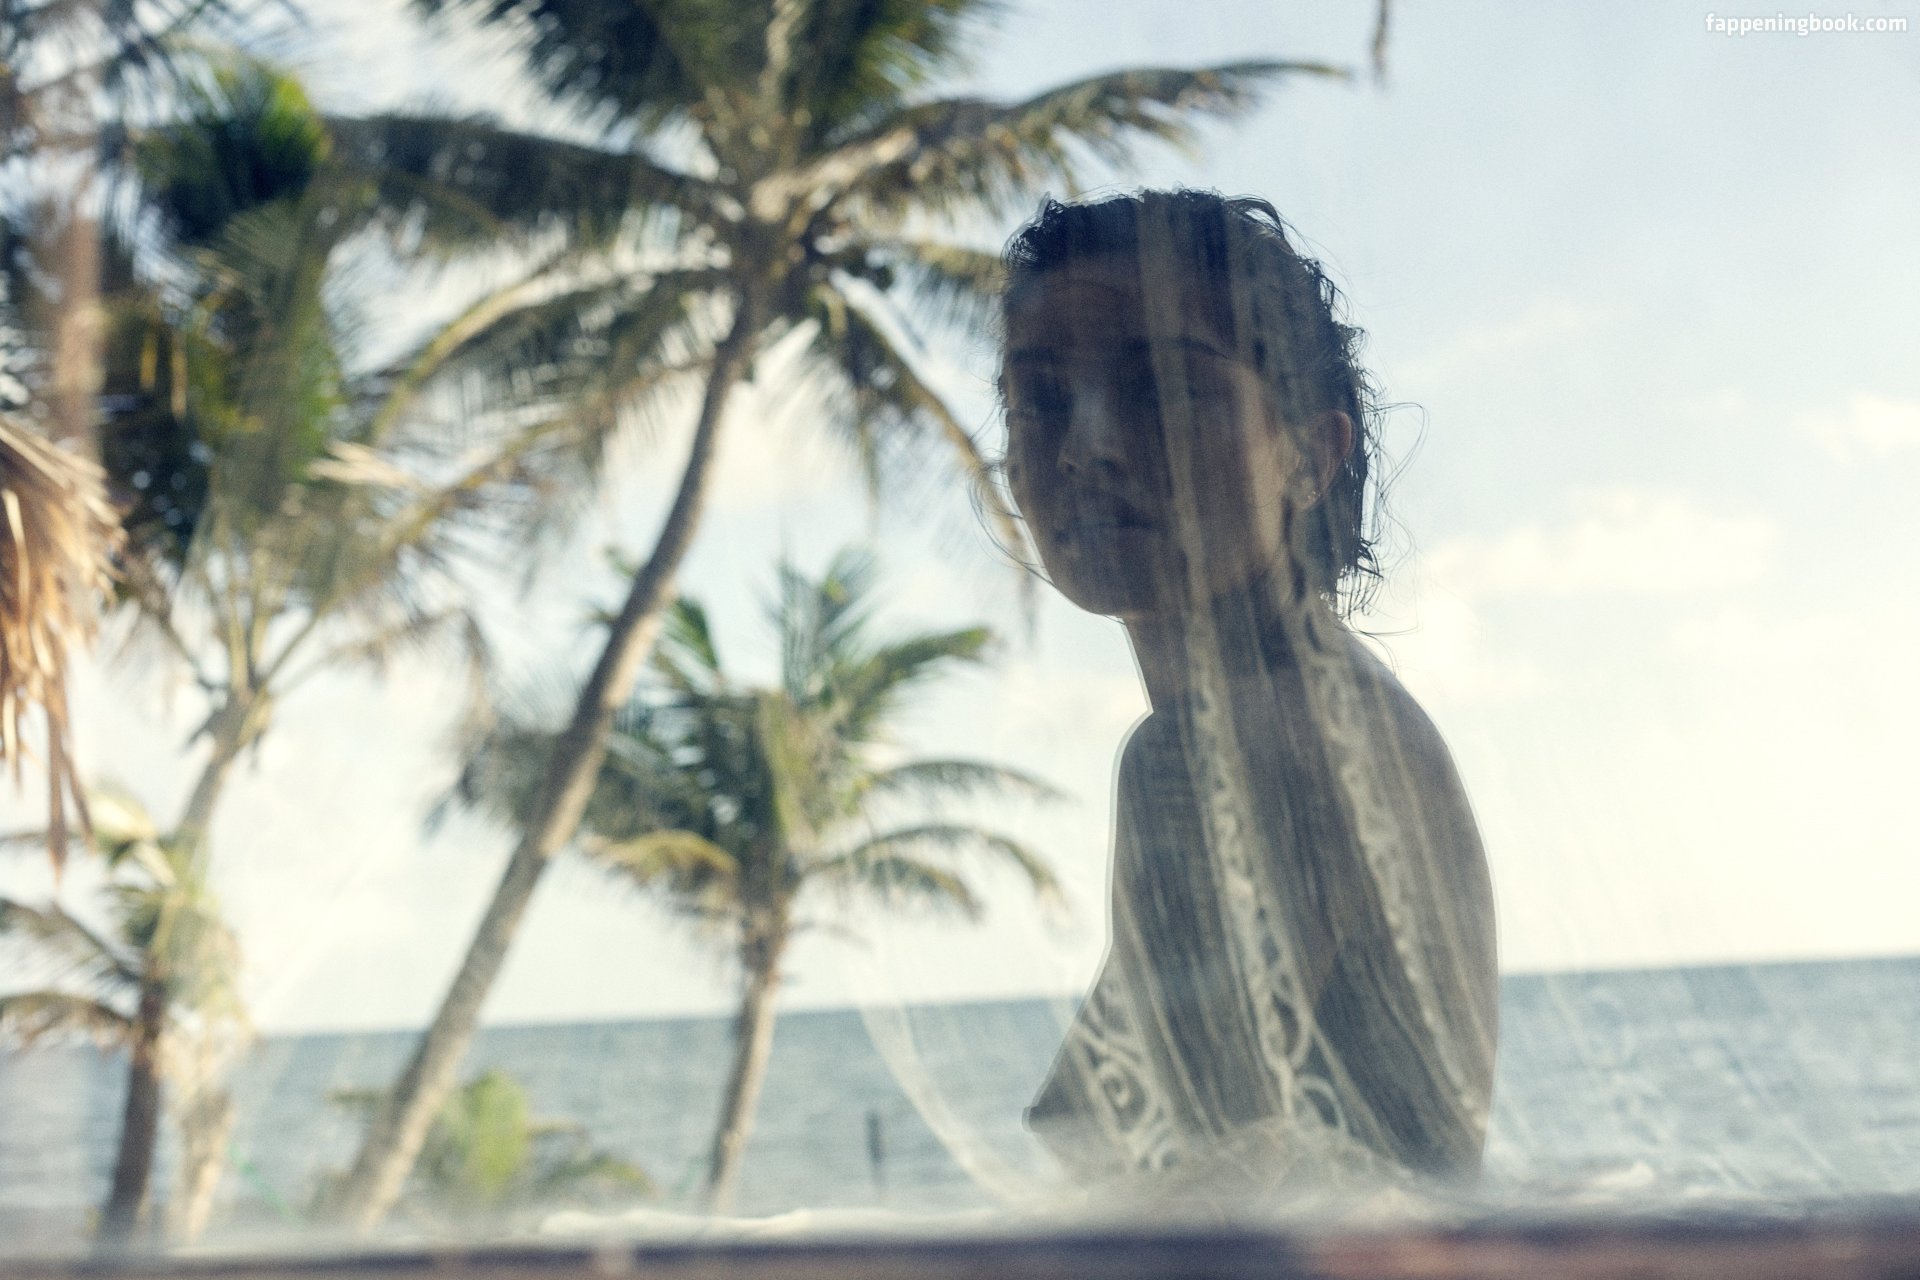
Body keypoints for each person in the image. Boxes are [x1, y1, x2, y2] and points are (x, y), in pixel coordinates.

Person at [999, 190, 1498, 1201]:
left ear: (1310, 456)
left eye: (1160, 391)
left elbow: (1149, 1178)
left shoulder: (1253, 739)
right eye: (1040, 400)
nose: (1086, 443)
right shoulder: (1335, 708)